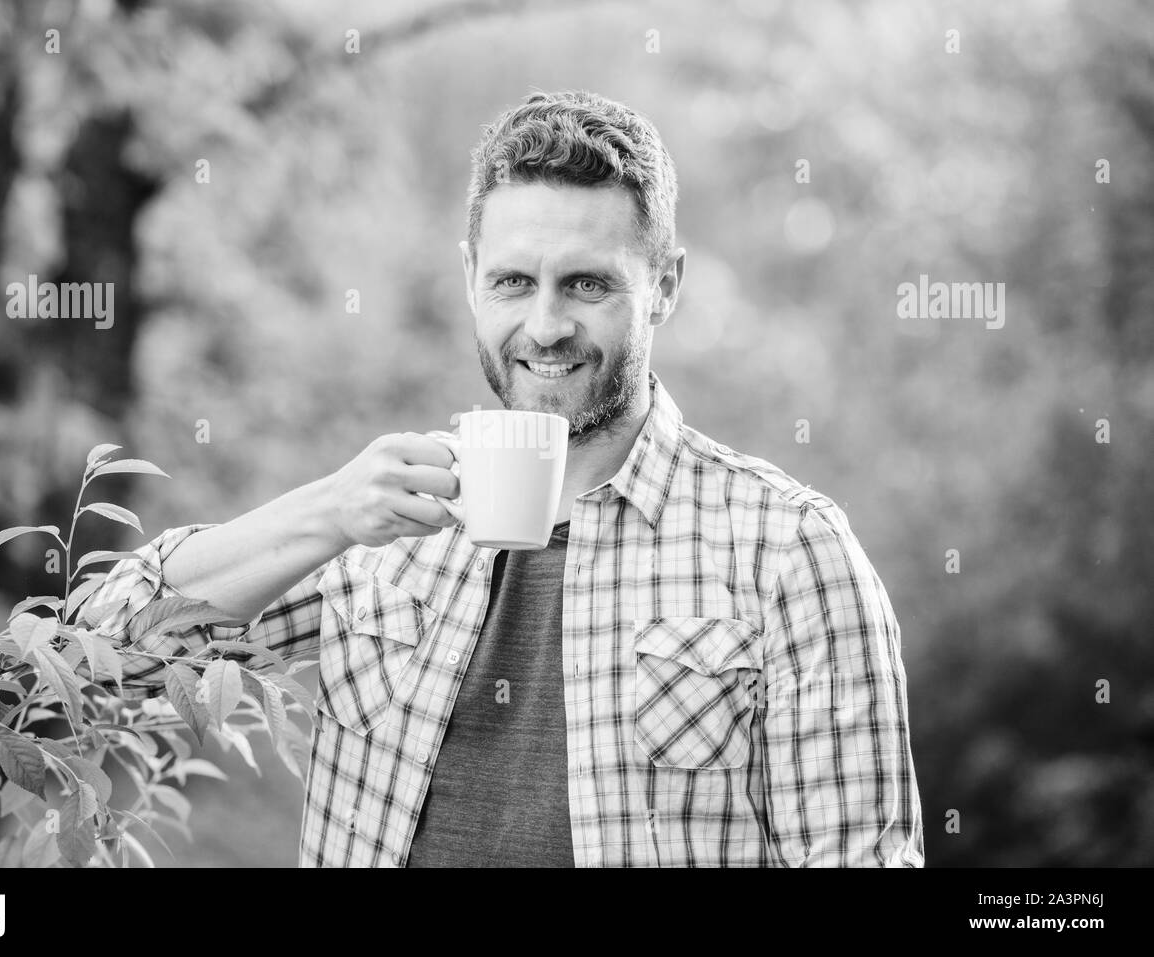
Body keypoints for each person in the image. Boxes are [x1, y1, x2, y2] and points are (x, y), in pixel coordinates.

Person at [84, 89, 924, 867]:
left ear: (664, 286)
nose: (546, 325)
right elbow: (108, 653)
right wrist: (328, 514)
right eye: (514, 281)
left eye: (588, 284)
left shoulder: (788, 549)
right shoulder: (378, 522)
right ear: (470, 279)